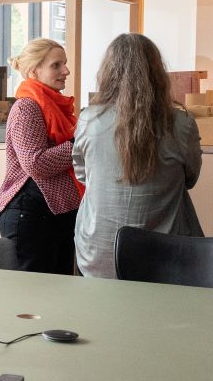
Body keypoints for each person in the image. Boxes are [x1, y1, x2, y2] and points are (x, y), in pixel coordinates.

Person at [72, 34, 203, 278]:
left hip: (98, 253)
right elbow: (190, 178)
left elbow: (83, 175)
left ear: (107, 72)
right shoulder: (182, 124)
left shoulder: (88, 120)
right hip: (165, 254)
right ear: (158, 73)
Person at [0, 38, 82, 274]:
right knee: (31, 298)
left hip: (57, 214)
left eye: (64, 64)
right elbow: (36, 163)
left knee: (57, 296)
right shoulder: (27, 107)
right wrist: (80, 144)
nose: (66, 71)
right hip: (30, 216)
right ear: (34, 71)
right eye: (56, 65)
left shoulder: (59, 107)